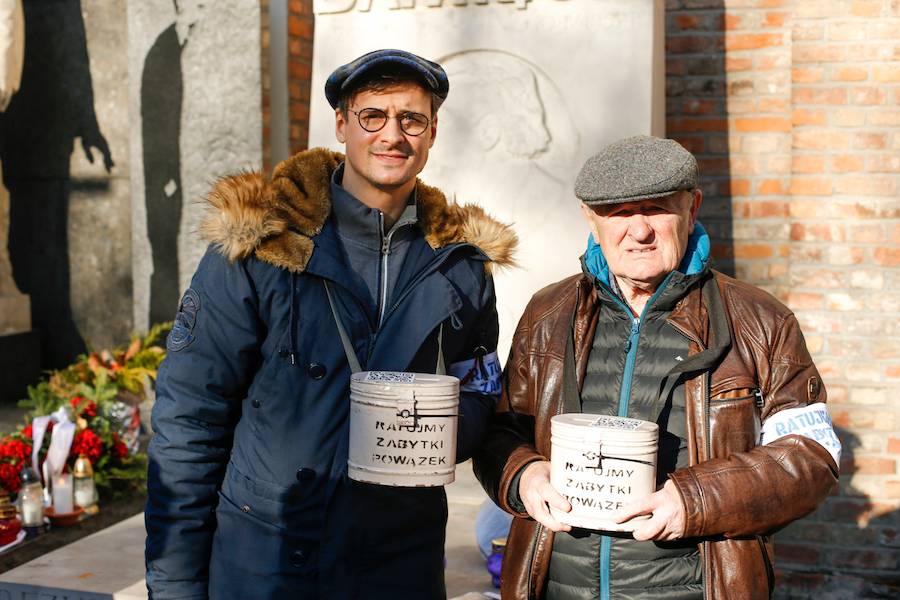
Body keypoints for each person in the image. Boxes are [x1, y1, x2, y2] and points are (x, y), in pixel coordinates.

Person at [145, 49, 517, 599]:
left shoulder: (461, 263)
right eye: (373, 116)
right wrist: (175, 583)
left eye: (412, 119)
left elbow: (480, 385)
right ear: (342, 125)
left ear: (433, 133)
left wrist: (443, 431)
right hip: (269, 556)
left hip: (402, 558)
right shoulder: (261, 246)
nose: (392, 134)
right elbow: (190, 419)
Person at [473, 135, 840, 599]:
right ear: (591, 219)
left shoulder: (761, 321)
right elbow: (498, 431)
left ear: (692, 207)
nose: (639, 231)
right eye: (619, 213)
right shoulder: (548, 313)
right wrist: (523, 474)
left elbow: (811, 456)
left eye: (656, 209)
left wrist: (694, 500)